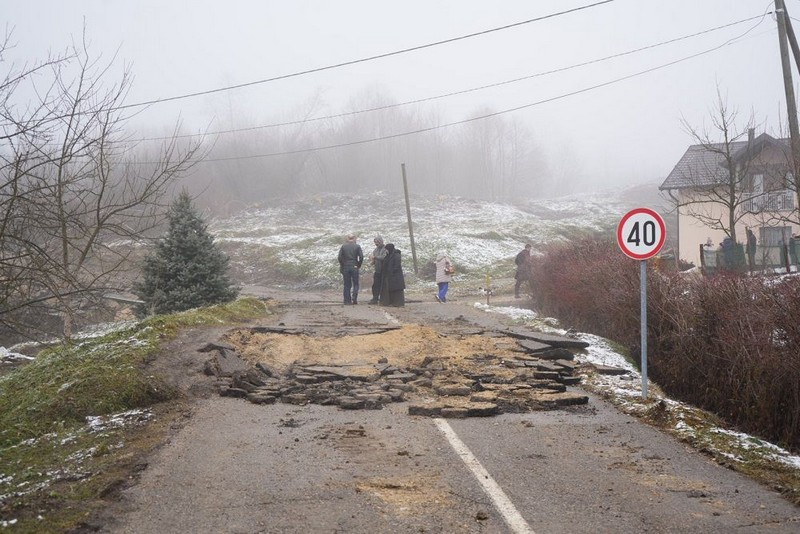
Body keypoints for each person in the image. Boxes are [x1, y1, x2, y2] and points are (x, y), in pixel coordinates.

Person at [337, 234, 363, 305]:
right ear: (354, 238)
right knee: (356, 283)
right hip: (354, 265)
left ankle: (347, 300)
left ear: (347, 239)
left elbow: (339, 257)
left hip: (346, 266)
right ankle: (354, 298)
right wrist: (358, 265)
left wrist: (342, 264)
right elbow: (361, 257)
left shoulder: (343, 246)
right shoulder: (357, 246)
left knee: (347, 284)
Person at [368, 235, 388, 304]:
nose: (376, 244)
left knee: (384, 286)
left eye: (377, 242)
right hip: (377, 270)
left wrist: (375, 257)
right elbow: (375, 259)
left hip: (384, 270)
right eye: (375, 242)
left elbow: (384, 257)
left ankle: (383, 299)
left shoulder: (385, 249)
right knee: (375, 286)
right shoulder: (375, 250)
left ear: (381, 241)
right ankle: (375, 298)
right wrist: (372, 262)